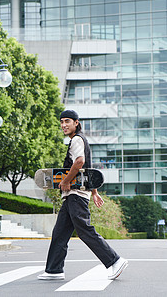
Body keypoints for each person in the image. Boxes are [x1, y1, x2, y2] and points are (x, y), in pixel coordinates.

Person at [38, 109, 128, 281]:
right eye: (62, 122)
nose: (64, 125)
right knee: (60, 233)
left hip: (76, 195)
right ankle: (54, 270)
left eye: (67, 121)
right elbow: (88, 171)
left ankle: (115, 261)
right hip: (74, 195)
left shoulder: (77, 140)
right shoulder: (81, 140)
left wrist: (65, 182)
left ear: (76, 123)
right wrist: (94, 191)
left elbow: (80, 162)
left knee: (84, 229)